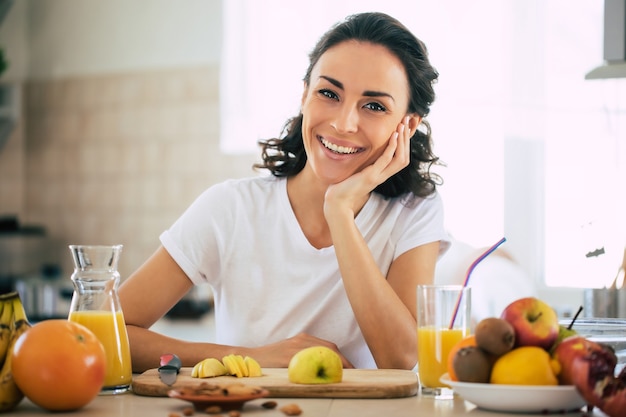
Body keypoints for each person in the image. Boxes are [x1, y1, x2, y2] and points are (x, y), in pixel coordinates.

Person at [119, 11, 449, 372]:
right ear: (305, 95)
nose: (343, 123)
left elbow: (399, 359)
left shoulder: (414, 212)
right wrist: (251, 359)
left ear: (408, 124)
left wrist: (339, 212)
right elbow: (108, 336)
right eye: (328, 93)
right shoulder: (231, 208)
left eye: (374, 106)